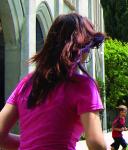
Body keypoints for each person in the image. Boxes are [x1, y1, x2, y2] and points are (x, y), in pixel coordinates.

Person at [0, 13, 106, 150]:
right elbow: (96, 143)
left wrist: (33, 143)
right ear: (80, 47)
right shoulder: (83, 86)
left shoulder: (27, 83)